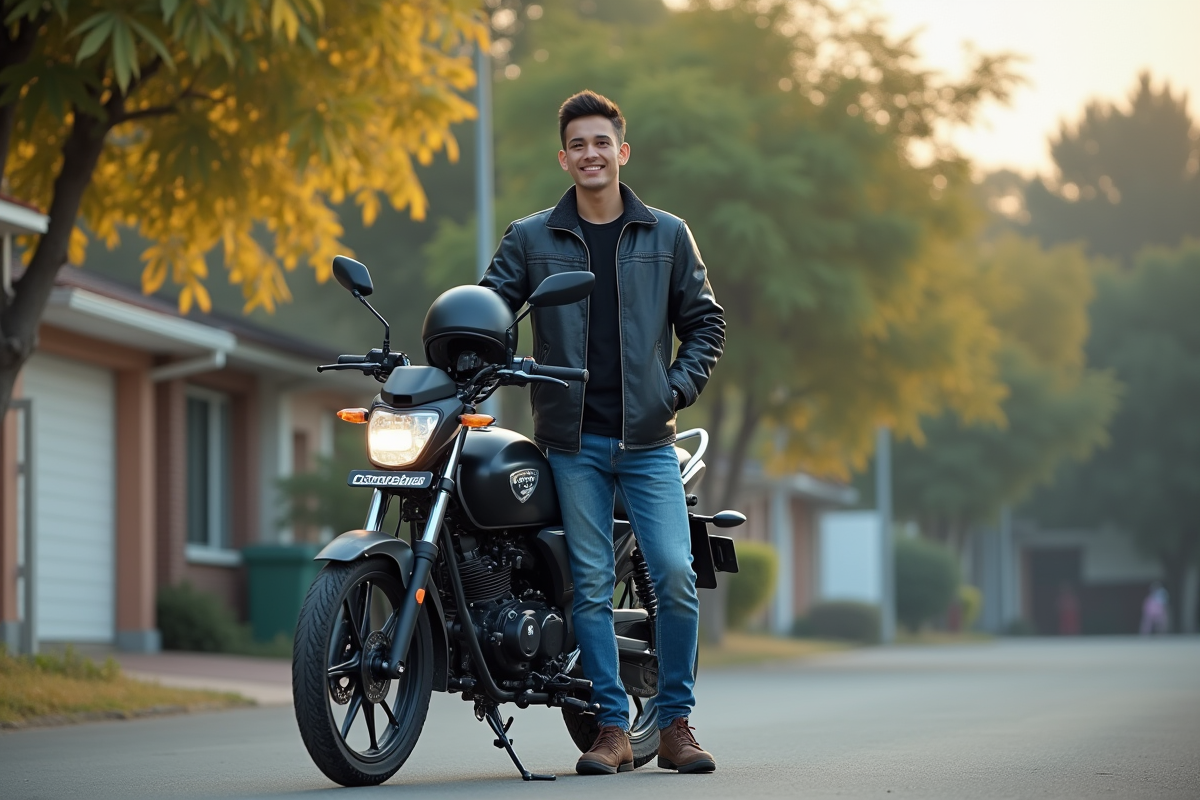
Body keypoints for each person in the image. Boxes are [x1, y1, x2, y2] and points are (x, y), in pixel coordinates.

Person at [480, 90, 725, 775]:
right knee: (586, 583)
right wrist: (467, 339)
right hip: (571, 444)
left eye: (601, 142)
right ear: (564, 158)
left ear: (623, 150)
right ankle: (612, 729)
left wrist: (671, 392)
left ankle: (675, 724)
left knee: (673, 576)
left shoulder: (667, 234)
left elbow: (706, 323)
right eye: (578, 145)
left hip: (647, 443)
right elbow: (493, 304)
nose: (591, 154)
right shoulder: (531, 238)